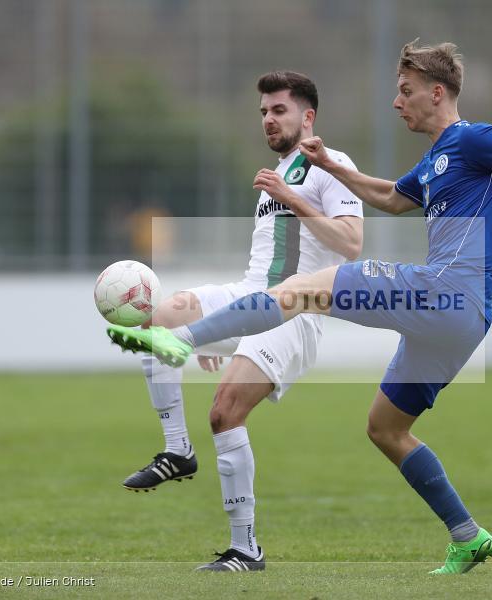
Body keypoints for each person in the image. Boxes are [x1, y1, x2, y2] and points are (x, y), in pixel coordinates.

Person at [109, 40, 492, 574]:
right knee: (386, 429)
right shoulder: (437, 159)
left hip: (445, 292)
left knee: (307, 287)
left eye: (405, 90)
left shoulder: (477, 138)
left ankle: (183, 341)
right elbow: (390, 198)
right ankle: (467, 535)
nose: (396, 102)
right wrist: (336, 168)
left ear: (437, 92)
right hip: (459, 325)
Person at [121, 71, 363, 571]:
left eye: (279, 110)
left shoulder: (329, 164)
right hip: (249, 296)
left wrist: (290, 195)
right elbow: (263, 267)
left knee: (224, 412)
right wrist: (217, 328)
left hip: (295, 311)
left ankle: (245, 548)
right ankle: (177, 451)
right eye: (263, 112)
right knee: (159, 319)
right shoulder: (276, 175)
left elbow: (351, 244)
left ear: (307, 116)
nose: (269, 120)